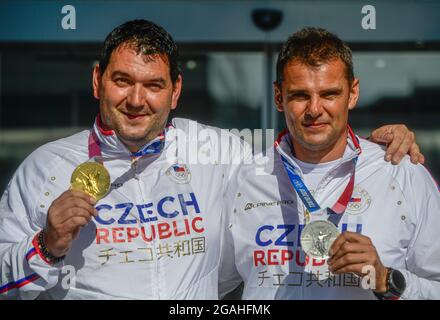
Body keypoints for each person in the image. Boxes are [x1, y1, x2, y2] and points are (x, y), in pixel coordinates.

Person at [0, 20, 424, 300]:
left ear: (176, 90)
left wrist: (375, 145)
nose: (135, 99)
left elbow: (309, 152)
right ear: (97, 80)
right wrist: (45, 247)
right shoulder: (45, 167)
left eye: (153, 84)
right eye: (122, 81)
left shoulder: (219, 151)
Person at [219, 27, 440, 300]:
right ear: (279, 97)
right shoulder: (244, 179)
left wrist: (385, 279)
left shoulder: (401, 173)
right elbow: (200, 284)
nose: (314, 109)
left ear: (353, 93)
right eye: (300, 95)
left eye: (329, 94)